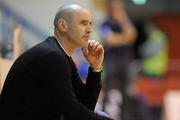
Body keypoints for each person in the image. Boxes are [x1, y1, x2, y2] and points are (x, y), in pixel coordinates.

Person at [0, 4, 113, 120]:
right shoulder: (52, 57)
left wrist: (95, 67)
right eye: (83, 23)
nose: (90, 30)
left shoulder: (60, 54)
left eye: (90, 24)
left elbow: (86, 105)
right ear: (62, 26)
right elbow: (73, 113)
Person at [100, 0, 137, 120]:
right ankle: (105, 116)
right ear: (110, 10)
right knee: (108, 89)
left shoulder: (125, 22)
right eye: (114, 9)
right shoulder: (105, 24)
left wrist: (123, 19)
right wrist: (125, 38)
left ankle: (126, 117)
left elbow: (132, 36)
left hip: (125, 60)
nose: (116, 11)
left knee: (126, 91)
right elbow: (110, 40)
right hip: (110, 60)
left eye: (119, 9)